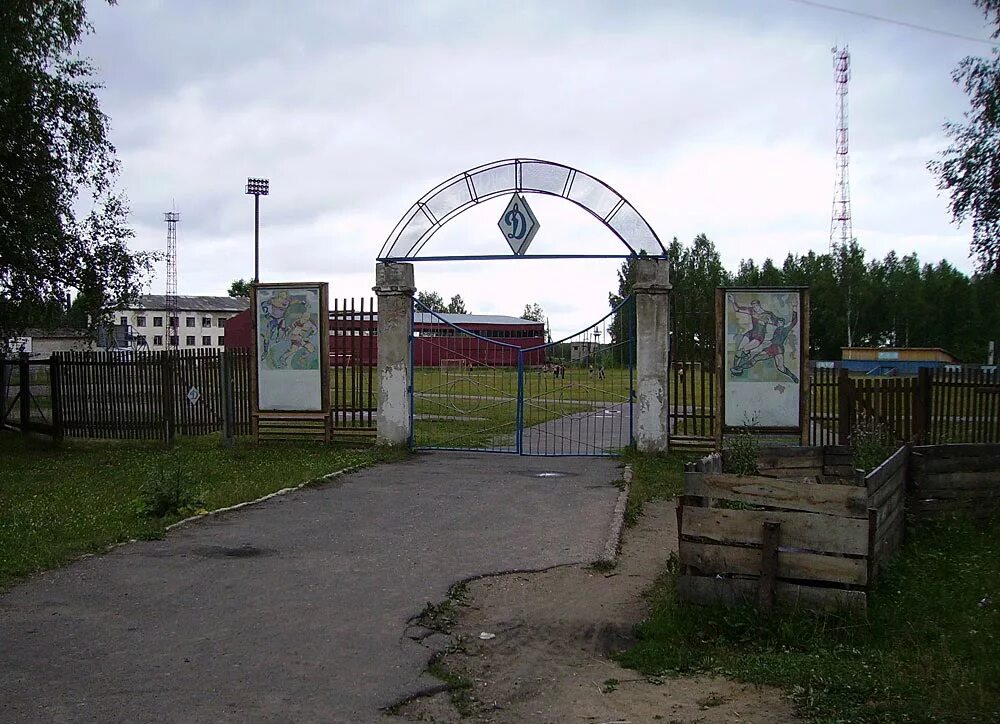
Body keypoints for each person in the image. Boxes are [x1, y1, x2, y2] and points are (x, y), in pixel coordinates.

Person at [742, 311, 799, 383]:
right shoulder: (776, 330)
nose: (779, 324)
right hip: (771, 348)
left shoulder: (785, 329)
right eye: (778, 322)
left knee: (780, 368)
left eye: (780, 322)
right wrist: (768, 341)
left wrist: (794, 310)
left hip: (778, 349)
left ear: (783, 324)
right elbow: (773, 339)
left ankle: (792, 376)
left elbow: (794, 322)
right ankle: (740, 367)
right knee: (756, 358)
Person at [730, 296, 778, 375]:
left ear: (759, 305)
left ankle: (742, 362)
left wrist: (768, 322)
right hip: (751, 333)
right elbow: (737, 309)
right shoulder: (751, 311)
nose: (754, 308)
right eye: (753, 306)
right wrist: (732, 301)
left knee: (744, 349)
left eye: (755, 306)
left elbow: (777, 323)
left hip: (759, 337)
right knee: (739, 349)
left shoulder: (768, 314)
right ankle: (735, 367)